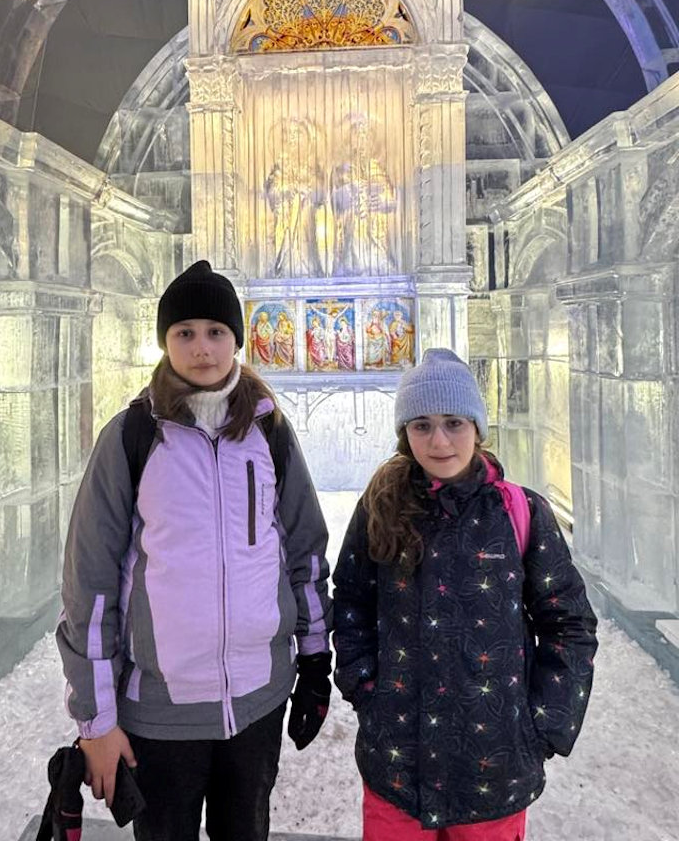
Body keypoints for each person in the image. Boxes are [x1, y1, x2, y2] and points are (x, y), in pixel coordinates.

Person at [57, 261, 332, 841]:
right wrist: (96, 721)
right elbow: (91, 586)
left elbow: (304, 554)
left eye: (215, 331)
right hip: (161, 714)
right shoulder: (132, 437)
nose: (202, 348)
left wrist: (314, 664)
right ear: (166, 341)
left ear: (237, 339)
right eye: (184, 332)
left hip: (257, 703)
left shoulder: (269, 433)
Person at [333, 348, 597, 840]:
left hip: (494, 772)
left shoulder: (520, 512)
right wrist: (365, 688)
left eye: (454, 423)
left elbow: (569, 622)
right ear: (405, 432)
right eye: (422, 425)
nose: (439, 441)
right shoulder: (380, 508)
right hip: (397, 768)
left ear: (477, 426)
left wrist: (543, 725)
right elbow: (351, 601)